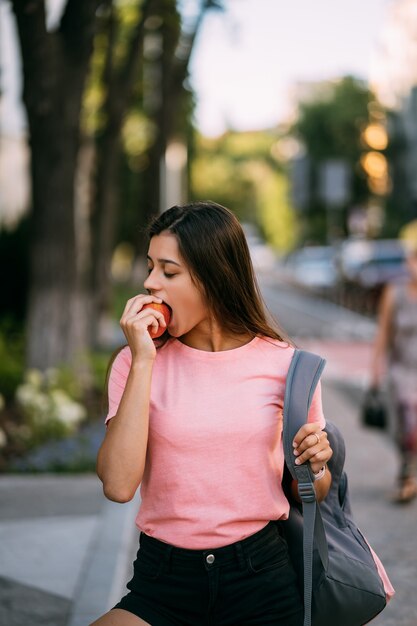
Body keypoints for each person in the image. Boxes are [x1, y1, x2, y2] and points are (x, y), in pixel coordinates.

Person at [91, 201, 333, 626]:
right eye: (150, 267)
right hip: (163, 581)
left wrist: (315, 466)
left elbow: (311, 491)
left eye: (168, 271)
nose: (149, 283)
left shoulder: (287, 365)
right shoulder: (134, 364)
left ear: (212, 277)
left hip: (261, 580)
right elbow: (117, 484)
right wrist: (144, 361)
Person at [371, 239, 417, 504]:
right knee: (405, 424)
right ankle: (407, 473)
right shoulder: (394, 292)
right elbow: (383, 333)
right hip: (402, 371)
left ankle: (408, 474)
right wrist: (375, 369)